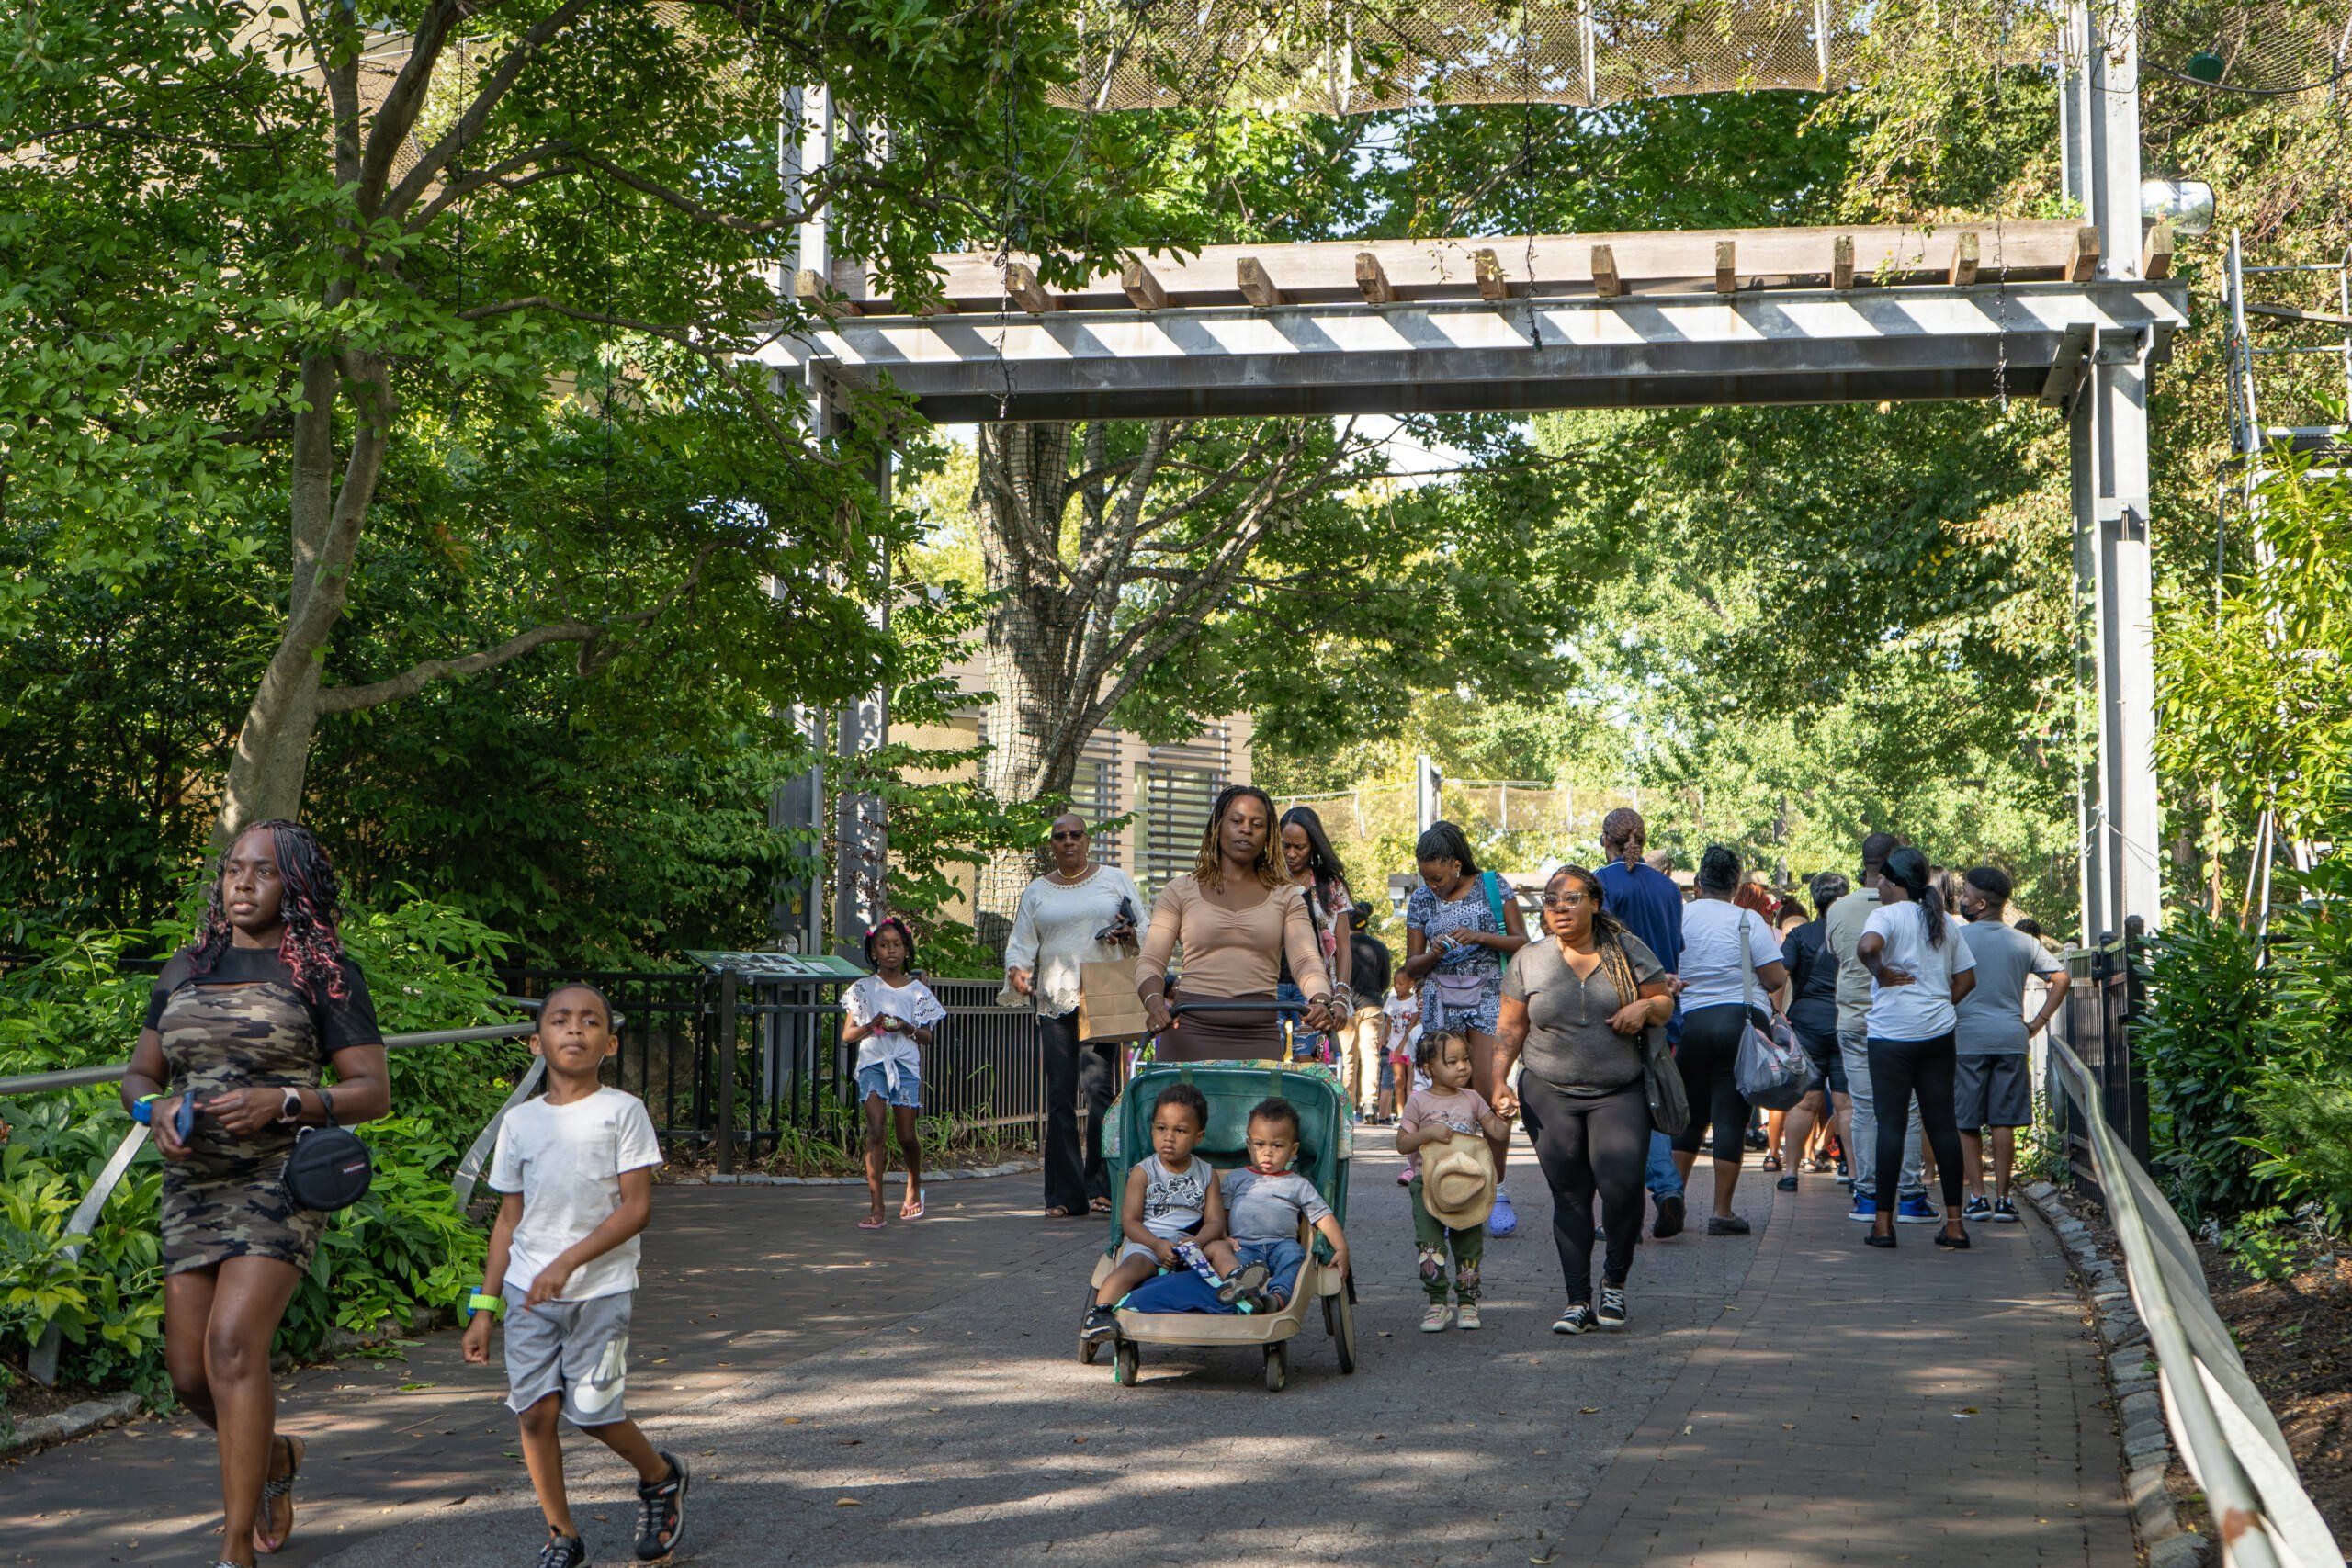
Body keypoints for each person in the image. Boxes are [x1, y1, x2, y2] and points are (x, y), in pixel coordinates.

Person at [121, 820, 390, 1566]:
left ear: (293, 886)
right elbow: (140, 1076)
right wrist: (155, 1109)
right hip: (192, 1180)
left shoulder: (324, 972)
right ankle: (273, 1455)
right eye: (234, 869)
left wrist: (288, 1100)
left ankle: (235, 1548)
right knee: (188, 1376)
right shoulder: (186, 966)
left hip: (278, 1180)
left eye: (261, 872)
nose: (241, 883)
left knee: (234, 1348)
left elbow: (372, 1091)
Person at [462, 984, 686, 1567]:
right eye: (561, 1021)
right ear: (537, 1042)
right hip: (527, 1293)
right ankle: (562, 1535)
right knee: (534, 1411)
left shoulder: (622, 1112)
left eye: (590, 1022)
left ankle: (660, 1477)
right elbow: (508, 1223)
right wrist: (485, 1309)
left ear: (608, 1043)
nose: (575, 1030)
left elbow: (636, 1209)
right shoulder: (520, 1122)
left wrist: (568, 1262)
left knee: (594, 1412)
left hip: (601, 1292)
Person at [1492, 864, 1675, 1335]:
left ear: (1594, 902)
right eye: (1551, 901)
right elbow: (1511, 1028)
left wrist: (1642, 1007)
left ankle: (1614, 1283)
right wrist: (1498, 1082)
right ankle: (1577, 1300)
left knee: (1620, 1186)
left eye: (1570, 899)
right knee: (1570, 1196)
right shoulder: (1529, 961)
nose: (1559, 908)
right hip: (1549, 1092)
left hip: (1619, 1090)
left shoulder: (1626, 950)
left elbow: (1664, 1003)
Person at [1002, 813, 1146, 1219]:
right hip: (1054, 997)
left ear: (1088, 840)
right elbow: (1020, 943)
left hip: (1102, 994)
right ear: (1052, 844)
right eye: (1060, 836)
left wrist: (1130, 935)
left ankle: (1100, 1186)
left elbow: (1147, 927)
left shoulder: (1114, 880)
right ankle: (1064, 1195)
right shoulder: (1037, 891)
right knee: (1059, 1097)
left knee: (1100, 1092)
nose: (1068, 842)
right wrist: (1017, 970)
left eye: (1076, 835)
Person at [1136, 785, 1337, 1060]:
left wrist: (1320, 999)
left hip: (1259, 1035)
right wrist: (1154, 1003)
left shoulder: (1287, 896)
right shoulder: (1180, 890)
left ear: (1268, 836)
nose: (1246, 829)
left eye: (1257, 824)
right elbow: (1150, 961)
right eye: (1237, 821)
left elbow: (1306, 961)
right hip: (1188, 1031)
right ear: (1218, 827)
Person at [1403, 821, 1531, 1235]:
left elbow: (1521, 941)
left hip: (1491, 994)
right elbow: (1411, 965)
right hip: (1443, 999)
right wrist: (1435, 951)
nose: (1433, 885)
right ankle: (1449, 1186)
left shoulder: (1493, 885)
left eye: (1438, 877)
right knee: (1448, 1091)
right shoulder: (1422, 900)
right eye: (1426, 878)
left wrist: (1478, 937)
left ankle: (1497, 1189)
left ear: (1457, 864)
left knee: (1489, 1089)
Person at [1858, 846, 1978, 1250]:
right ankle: (1956, 1225)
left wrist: (1880, 973)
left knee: (1890, 1125)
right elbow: (1967, 980)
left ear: (1892, 883)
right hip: (1937, 1033)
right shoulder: (1943, 922)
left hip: (1891, 1034)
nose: (1878, 886)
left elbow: (1867, 948)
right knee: (1942, 1124)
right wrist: (1940, 1002)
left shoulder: (1884, 916)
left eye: (1881, 880)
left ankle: (1883, 1226)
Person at [1667, 845, 1787, 1235]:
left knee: (1691, 1115)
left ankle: (1675, 1199)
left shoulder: (1679, 917)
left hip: (1690, 1024)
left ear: (1699, 881)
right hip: (1740, 1023)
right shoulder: (1748, 920)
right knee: (1731, 1114)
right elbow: (1774, 979)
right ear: (1736, 885)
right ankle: (1721, 1211)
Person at [1594, 808, 1692, 1239]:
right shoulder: (1670, 888)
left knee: (1617, 1115)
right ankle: (1667, 1191)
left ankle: (1626, 1211)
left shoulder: (1600, 884)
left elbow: (1603, 948)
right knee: (1650, 1103)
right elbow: (1675, 948)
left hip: (1618, 1009)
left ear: (1605, 841)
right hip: (1664, 1009)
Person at [1826, 832, 1932, 1224]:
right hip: (1903, 1021)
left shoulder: (1839, 909)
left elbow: (1840, 956)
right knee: (1908, 1108)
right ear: (1893, 865)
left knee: (1865, 1107)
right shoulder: (1918, 910)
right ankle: (1909, 1195)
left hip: (1854, 1019)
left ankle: (1867, 1194)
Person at [1953, 866, 2070, 1222]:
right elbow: (2061, 978)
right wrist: (2037, 1023)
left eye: (1966, 895)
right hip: (2010, 1037)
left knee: (1966, 1119)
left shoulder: (1958, 940)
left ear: (1982, 903)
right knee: (2003, 1119)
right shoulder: (2024, 942)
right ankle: (2004, 1198)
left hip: (1967, 1038)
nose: (1962, 899)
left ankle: (1977, 1196)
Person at [1081, 1082, 1226, 1340]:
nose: (1168, 1137)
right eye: (1161, 1128)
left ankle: (1237, 1286)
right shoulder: (1143, 1172)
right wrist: (1157, 1245)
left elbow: (1215, 1221)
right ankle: (1099, 1313)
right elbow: (1130, 1222)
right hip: (1148, 1241)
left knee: (1220, 1249)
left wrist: (1198, 1241)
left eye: (1180, 1130)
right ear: (1152, 1129)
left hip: (1191, 1242)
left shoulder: (1206, 1173)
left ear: (1198, 1136)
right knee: (1133, 1266)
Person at [1396, 1029, 1511, 1330]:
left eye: (1465, 1059)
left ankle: (1468, 1303)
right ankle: (1437, 1304)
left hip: (1468, 1186)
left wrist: (1507, 1116)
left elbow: (1496, 1133)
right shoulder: (1418, 1102)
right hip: (1426, 1185)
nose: (1462, 1066)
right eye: (1452, 1061)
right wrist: (1427, 1133)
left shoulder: (1473, 1099)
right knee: (1430, 1247)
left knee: (1469, 1248)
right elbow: (1403, 1144)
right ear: (1428, 1068)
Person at [842, 916, 944, 1229]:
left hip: (904, 1065)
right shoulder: (862, 988)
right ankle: (877, 1206)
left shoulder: (918, 991)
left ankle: (913, 1182)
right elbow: (848, 1036)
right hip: (873, 1062)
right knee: (875, 1130)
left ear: (906, 949)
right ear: (873, 951)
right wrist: (871, 1024)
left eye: (897, 945)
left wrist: (905, 1026)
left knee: (906, 1135)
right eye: (883, 945)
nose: (890, 951)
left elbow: (928, 1036)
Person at [1215, 1098, 1350, 1314]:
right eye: (1260, 1144)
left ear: (1293, 1149)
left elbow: (1323, 1217)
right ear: (1249, 1145)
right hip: (1244, 1245)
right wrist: (1223, 1237)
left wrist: (1342, 1249)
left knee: (1295, 1256)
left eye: (1277, 1145)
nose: (1267, 1152)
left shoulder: (1298, 1184)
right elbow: (1221, 1214)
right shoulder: (1236, 1179)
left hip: (1282, 1244)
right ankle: (1251, 1298)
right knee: (1234, 1265)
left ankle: (1277, 1297)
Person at [1771, 872, 1850, 1192]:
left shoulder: (1800, 935)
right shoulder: (1855, 934)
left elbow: (1779, 974)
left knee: (1805, 1101)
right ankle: (1856, 1175)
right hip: (1847, 1022)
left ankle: (1790, 1172)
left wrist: (1777, 1014)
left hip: (1806, 1025)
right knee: (1847, 1104)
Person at [1277, 806, 1356, 1060]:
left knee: (1309, 1065)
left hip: (1313, 990)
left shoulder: (1331, 885)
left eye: (1299, 847)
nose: (1291, 854)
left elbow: (1343, 947)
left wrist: (1341, 997)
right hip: (1269, 986)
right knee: (1266, 1066)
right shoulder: (1265, 881)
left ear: (1313, 845)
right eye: (1285, 845)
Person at [1341, 903, 1394, 1119]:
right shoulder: (1379, 948)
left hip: (1344, 1007)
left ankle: (1347, 1103)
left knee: (1349, 1057)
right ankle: (1370, 1104)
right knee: (1371, 1054)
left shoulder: (1341, 948)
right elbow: (1385, 981)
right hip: (1371, 1004)